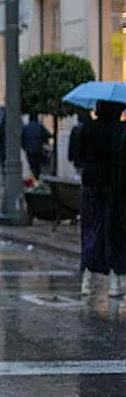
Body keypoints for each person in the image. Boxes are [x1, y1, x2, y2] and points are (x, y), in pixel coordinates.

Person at [77, 100, 125, 297]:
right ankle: (115, 283)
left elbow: (78, 156)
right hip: (117, 188)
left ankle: (86, 281)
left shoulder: (87, 128)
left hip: (91, 186)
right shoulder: (121, 130)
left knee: (91, 231)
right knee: (115, 232)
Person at [22, 114, 49, 180]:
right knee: (38, 165)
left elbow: (22, 138)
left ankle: (34, 178)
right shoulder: (40, 126)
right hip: (38, 149)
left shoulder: (26, 127)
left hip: (29, 150)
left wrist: (24, 147)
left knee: (32, 165)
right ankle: (37, 177)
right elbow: (47, 135)